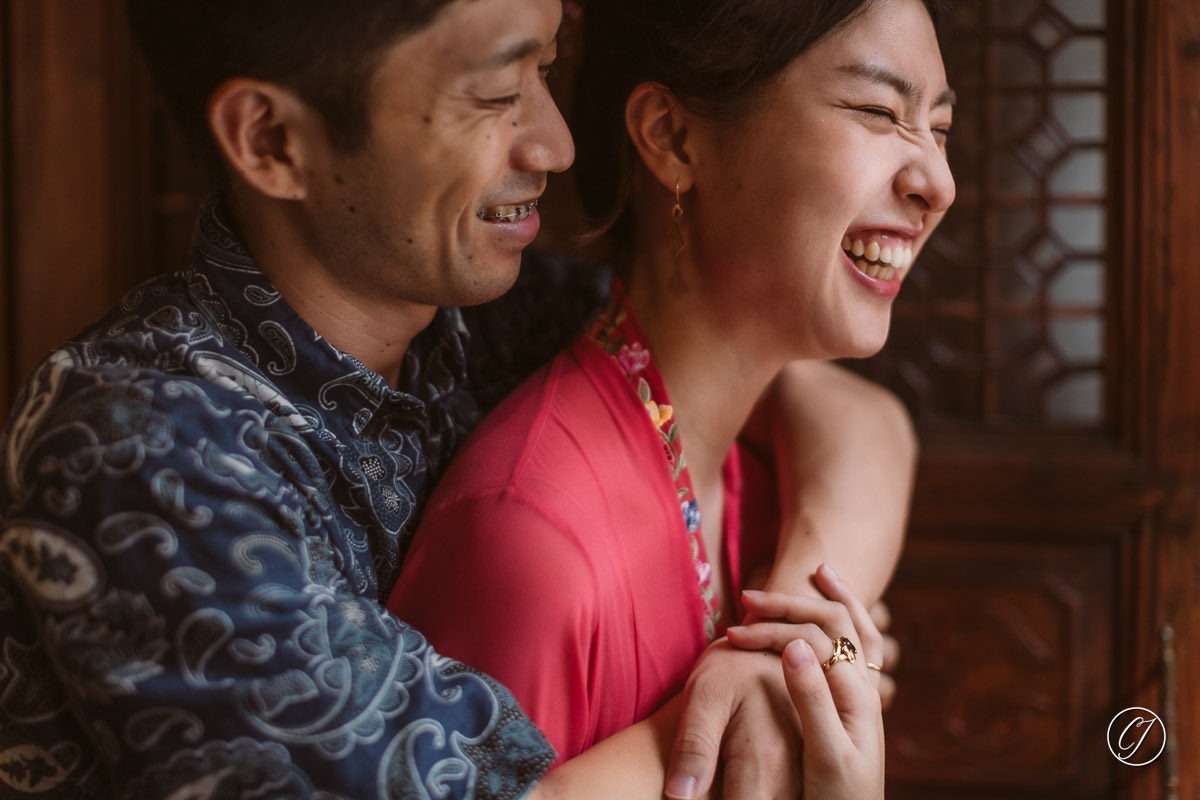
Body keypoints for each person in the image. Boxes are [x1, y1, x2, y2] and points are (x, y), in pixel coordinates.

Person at [0, 1, 912, 799]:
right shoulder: (138, 444)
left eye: (547, 70)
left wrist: (789, 632)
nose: (555, 142)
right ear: (273, 141)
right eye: (493, 93)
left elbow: (848, 414)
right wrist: (788, 691)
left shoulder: (488, 313)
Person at [390, 0, 954, 796]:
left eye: (939, 128)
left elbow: (874, 425)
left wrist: (799, 659)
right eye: (877, 112)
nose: (938, 181)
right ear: (672, 136)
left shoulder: (763, 475)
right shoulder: (527, 546)